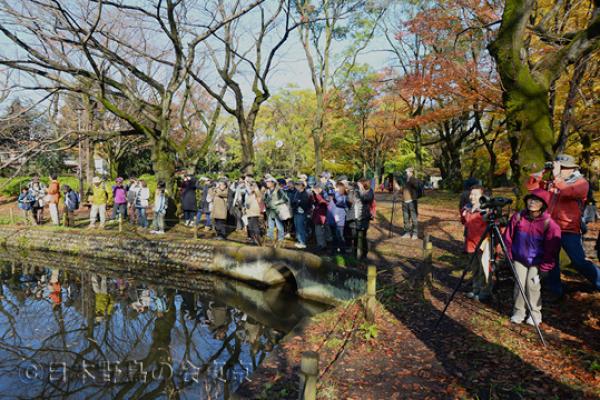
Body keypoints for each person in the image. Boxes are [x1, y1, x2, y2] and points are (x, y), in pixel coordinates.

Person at [527, 153, 600, 293]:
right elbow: (532, 188)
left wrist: (557, 177)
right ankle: (556, 291)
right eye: (560, 167)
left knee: (578, 262)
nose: (561, 169)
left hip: (569, 230)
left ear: (573, 169)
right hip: (550, 228)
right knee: (551, 261)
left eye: (564, 167)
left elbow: (567, 192)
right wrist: (542, 172)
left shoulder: (581, 183)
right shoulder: (554, 182)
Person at [503, 188, 561, 325]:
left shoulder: (549, 224)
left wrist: (546, 267)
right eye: (530, 199)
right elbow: (508, 238)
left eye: (537, 200)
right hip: (519, 258)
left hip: (537, 261)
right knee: (519, 284)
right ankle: (518, 312)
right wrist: (509, 254)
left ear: (543, 204)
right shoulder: (518, 217)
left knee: (533, 285)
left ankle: (535, 314)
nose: (532, 202)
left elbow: (552, 248)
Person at [460, 185, 492, 301]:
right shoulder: (467, 208)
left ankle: (484, 291)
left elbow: (493, 225)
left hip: (483, 243)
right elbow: (464, 223)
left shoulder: (486, 209)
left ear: (482, 196)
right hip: (470, 243)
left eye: (475, 194)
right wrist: (463, 214)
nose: (472, 196)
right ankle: (475, 289)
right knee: (475, 268)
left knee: (484, 268)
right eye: (471, 194)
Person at [347, 178, 374, 260]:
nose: (358, 185)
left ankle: (364, 254)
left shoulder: (369, 191)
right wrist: (351, 191)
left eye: (360, 183)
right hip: (354, 216)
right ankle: (355, 254)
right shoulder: (354, 190)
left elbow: (366, 199)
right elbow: (349, 201)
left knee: (363, 237)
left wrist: (360, 191)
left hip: (363, 217)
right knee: (354, 237)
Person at [264, 177, 289, 247]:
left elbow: (286, 199)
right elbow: (265, 199)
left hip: (277, 212)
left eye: (268, 182)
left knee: (279, 226)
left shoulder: (279, 190)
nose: (267, 183)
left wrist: (276, 202)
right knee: (270, 227)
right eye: (266, 182)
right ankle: (271, 240)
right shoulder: (267, 191)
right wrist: (266, 202)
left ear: (273, 183)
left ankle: (280, 240)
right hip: (269, 212)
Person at [398, 167, 420, 240]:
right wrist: (398, 189)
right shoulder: (404, 180)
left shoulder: (414, 179)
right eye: (405, 172)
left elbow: (416, 186)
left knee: (414, 218)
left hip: (412, 201)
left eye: (406, 172)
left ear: (411, 172)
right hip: (404, 201)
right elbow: (402, 190)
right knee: (406, 218)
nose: (405, 173)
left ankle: (415, 233)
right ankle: (407, 233)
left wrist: (409, 179)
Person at [327, 181, 348, 253]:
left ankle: (343, 252)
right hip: (332, 220)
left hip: (339, 221)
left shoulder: (343, 197)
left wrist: (336, 193)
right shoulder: (334, 197)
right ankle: (334, 250)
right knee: (334, 236)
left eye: (336, 187)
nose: (334, 189)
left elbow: (339, 202)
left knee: (339, 236)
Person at [290, 180, 312, 249]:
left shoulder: (305, 193)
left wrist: (298, 202)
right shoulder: (297, 192)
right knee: (297, 227)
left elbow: (305, 203)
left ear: (302, 186)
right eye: (296, 185)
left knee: (301, 227)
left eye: (298, 185)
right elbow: (293, 202)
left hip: (302, 213)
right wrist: (297, 202)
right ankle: (299, 241)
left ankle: (303, 242)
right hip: (296, 211)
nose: (297, 186)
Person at [244, 180, 263, 246]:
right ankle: (253, 239)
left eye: (253, 186)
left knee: (255, 227)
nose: (251, 187)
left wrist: (255, 186)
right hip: (249, 213)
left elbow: (259, 196)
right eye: (251, 186)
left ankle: (257, 240)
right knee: (250, 227)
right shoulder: (250, 194)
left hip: (254, 213)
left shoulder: (257, 193)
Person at [311, 183, 329, 251]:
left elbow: (323, 202)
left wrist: (317, 194)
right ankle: (321, 244)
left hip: (321, 216)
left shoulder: (324, 194)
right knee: (318, 231)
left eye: (316, 188)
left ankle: (322, 245)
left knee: (319, 232)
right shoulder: (318, 194)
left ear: (320, 189)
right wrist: (314, 194)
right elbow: (314, 201)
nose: (315, 189)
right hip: (318, 215)